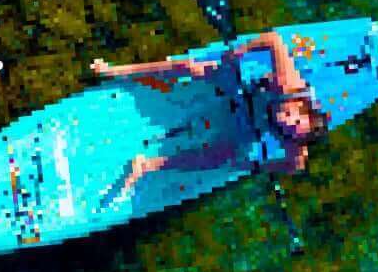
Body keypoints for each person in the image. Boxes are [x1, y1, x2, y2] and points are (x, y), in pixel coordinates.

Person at [90, 29, 331, 203]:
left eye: (290, 130)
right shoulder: (289, 85)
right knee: (189, 68)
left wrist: (257, 165)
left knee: (223, 157)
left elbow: (295, 166)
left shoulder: (295, 146)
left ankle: (147, 165)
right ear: (300, 107)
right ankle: (115, 71)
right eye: (294, 118)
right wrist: (240, 52)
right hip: (243, 88)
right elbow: (274, 40)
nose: (286, 122)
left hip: (250, 123)